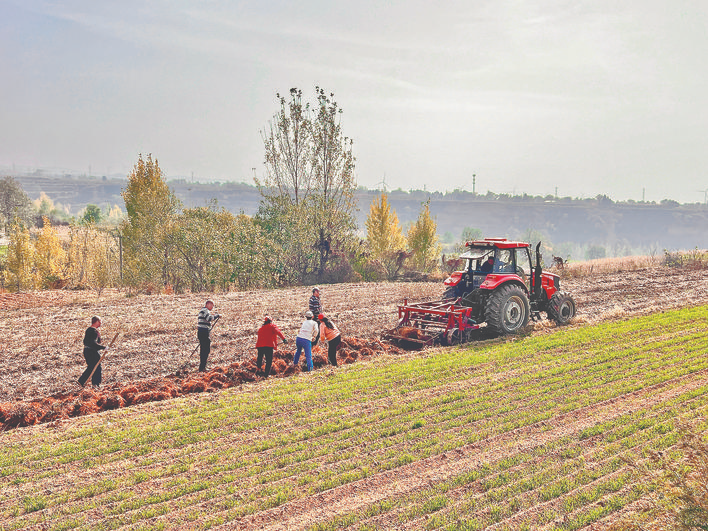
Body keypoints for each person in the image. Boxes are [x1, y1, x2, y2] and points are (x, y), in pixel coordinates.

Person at [78, 316, 107, 387]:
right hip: (92, 352)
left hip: (87, 351)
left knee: (91, 367)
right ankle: (95, 384)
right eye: (100, 321)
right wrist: (103, 347)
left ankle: (82, 381)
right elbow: (93, 343)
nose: (101, 323)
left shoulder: (89, 330)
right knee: (97, 367)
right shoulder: (93, 331)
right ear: (96, 322)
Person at [197, 299, 220, 372]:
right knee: (206, 350)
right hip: (203, 332)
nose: (212, 307)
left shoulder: (203, 311)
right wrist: (217, 316)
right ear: (208, 304)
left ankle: (202, 367)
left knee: (204, 349)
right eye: (212, 305)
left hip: (202, 331)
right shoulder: (205, 310)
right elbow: (209, 318)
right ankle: (202, 368)